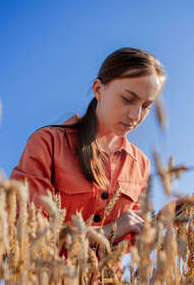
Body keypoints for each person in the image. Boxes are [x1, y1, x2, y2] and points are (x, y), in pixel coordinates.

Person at [10, 47, 167, 246]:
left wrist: (161, 222)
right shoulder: (48, 142)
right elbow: (28, 231)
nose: (135, 116)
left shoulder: (140, 164)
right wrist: (108, 231)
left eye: (146, 107)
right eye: (128, 99)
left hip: (109, 278)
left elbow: (130, 240)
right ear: (98, 89)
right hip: (48, 276)